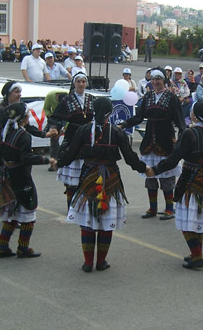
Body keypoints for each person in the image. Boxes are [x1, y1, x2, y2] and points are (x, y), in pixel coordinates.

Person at [58, 97, 147, 272]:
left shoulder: (84, 130)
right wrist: (145, 169)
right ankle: (100, 262)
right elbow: (130, 157)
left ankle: (88, 262)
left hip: (89, 177)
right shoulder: (117, 132)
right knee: (106, 221)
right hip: (110, 178)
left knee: (89, 221)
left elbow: (70, 153)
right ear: (109, 113)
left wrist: (56, 162)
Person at [147, 101, 203, 269]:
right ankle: (197, 253)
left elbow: (173, 159)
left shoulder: (190, 133)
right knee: (199, 215)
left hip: (191, 179)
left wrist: (154, 170)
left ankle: (197, 256)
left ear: (195, 115)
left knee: (189, 218)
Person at [120, 68, 186, 220]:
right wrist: (124, 124)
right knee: (150, 176)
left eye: (159, 79)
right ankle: (153, 208)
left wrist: (182, 136)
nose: (156, 82)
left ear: (164, 81)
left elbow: (179, 119)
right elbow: (139, 117)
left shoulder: (171, 97)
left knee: (166, 177)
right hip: (149, 138)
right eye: (153, 79)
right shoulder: (148, 96)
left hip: (165, 137)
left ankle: (170, 208)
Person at [0, 102, 49, 258]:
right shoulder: (23, 136)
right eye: (28, 115)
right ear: (24, 118)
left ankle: (2, 247)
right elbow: (26, 158)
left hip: (7, 176)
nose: (29, 117)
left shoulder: (6, 132)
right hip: (21, 178)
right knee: (28, 211)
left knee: (11, 213)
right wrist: (45, 160)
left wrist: (3, 165)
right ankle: (23, 248)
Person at [46, 72, 95, 209]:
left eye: (83, 81)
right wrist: (55, 128)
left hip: (88, 138)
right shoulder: (67, 100)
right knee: (71, 177)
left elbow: (98, 117)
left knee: (87, 175)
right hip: (72, 136)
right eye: (78, 81)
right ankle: (71, 207)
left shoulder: (92, 99)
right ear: (74, 84)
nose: (81, 84)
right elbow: (55, 117)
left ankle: (84, 205)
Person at [43, 89, 68, 171]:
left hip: (66, 117)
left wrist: (63, 130)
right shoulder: (50, 96)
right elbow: (46, 108)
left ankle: (66, 160)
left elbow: (71, 116)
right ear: (56, 96)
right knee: (54, 137)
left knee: (69, 138)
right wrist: (49, 116)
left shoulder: (69, 98)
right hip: (55, 117)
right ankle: (54, 161)